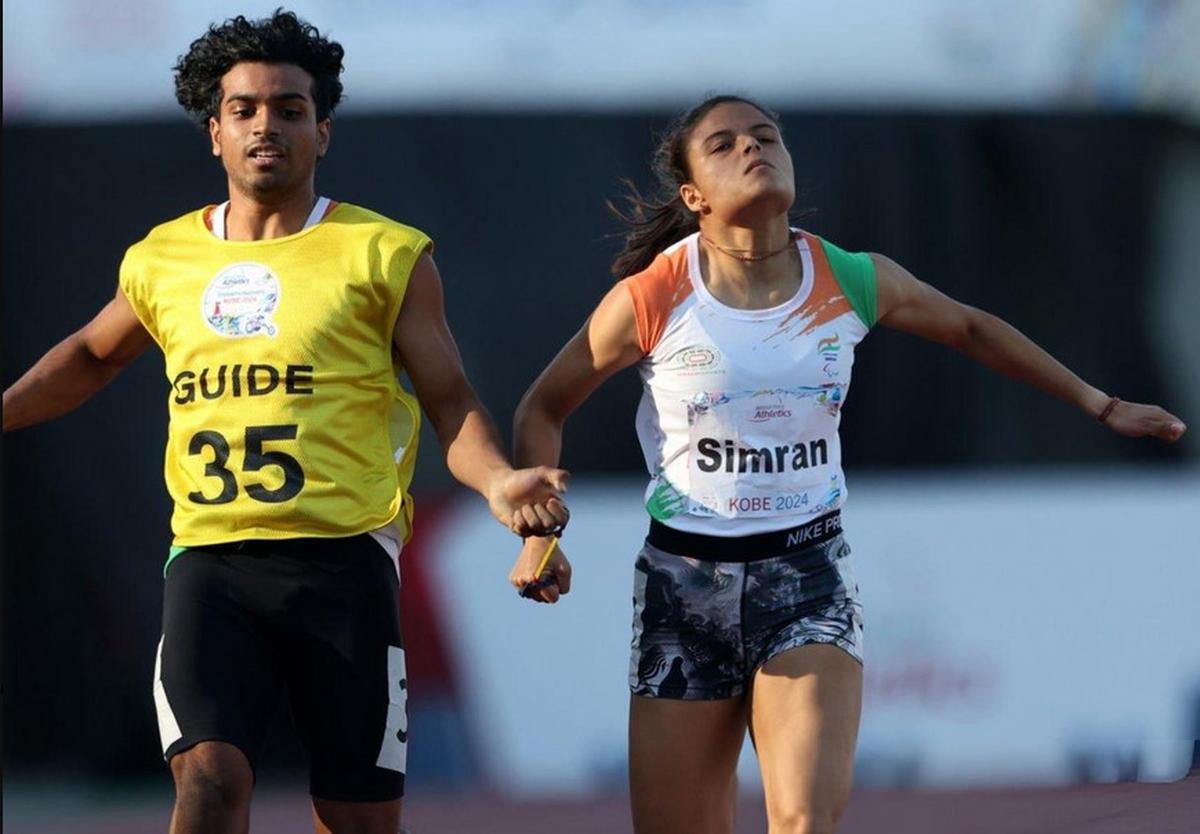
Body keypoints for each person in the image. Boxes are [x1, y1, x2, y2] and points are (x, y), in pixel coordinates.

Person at [507, 94, 1187, 834]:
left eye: (766, 136)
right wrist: (539, 533)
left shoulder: (848, 278)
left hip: (807, 579)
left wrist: (1100, 403)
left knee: (802, 823)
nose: (753, 148)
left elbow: (970, 328)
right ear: (694, 195)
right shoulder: (655, 296)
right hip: (685, 584)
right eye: (725, 144)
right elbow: (542, 407)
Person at [1, 10, 568, 834]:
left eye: (290, 109)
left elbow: (451, 401)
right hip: (210, 563)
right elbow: (91, 355)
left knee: (357, 819)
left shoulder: (385, 252)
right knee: (208, 785)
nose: (267, 125)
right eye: (245, 110)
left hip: (344, 569)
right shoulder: (162, 257)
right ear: (215, 134)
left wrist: (499, 481)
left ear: (322, 131)